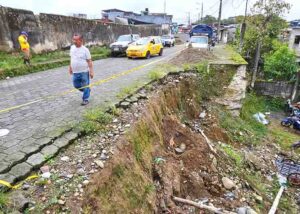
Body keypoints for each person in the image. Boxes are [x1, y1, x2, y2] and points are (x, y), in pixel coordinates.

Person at [69, 34, 94, 106]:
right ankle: (87, 91)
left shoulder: (85, 50)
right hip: (75, 72)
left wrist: (91, 71)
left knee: (85, 85)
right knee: (76, 85)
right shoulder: (72, 48)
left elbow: (89, 61)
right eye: (73, 39)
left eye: (76, 40)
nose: (74, 41)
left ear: (81, 40)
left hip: (84, 72)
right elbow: (71, 58)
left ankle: (85, 99)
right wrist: (70, 68)